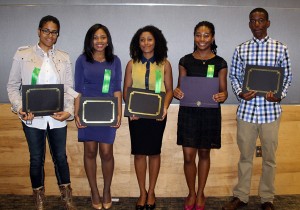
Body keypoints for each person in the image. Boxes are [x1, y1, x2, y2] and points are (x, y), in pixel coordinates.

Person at [222, 8, 292, 210]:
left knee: (270, 158)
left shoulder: (281, 48)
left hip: (270, 112)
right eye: (253, 21)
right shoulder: (241, 49)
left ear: (268, 23)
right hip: (246, 112)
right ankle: (241, 196)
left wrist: (279, 95)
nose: (257, 24)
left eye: (261, 20)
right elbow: (234, 76)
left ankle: (267, 198)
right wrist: (240, 92)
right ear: (249, 24)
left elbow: (286, 77)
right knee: (245, 157)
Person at [7, 15, 78, 210]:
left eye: (54, 32)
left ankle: (66, 197)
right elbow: (13, 87)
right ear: (39, 31)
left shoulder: (63, 57)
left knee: (60, 158)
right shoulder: (23, 54)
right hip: (32, 119)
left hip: (58, 118)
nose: (49, 35)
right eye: (46, 30)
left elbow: (69, 88)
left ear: (57, 35)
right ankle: (38, 197)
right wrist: (20, 108)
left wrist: (69, 111)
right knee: (36, 158)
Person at [173, 21, 228, 210]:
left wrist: (222, 95)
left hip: (209, 113)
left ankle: (201, 192)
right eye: (198, 35)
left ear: (212, 37)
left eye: (206, 35)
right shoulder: (185, 60)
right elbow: (180, 87)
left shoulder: (220, 62)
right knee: (188, 156)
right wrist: (177, 92)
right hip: (188, 112)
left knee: (204, 153)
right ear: (194, 36)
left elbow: (224, 92)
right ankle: (191, 192)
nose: (202, 39)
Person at [123, 25, 173, 210]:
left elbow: (169, 90)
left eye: (149, 39)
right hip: (136, 115)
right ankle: (142, 192)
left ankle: (151, 191)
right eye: (142, 39)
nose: (146, 43)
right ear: (138, 43)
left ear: (156, 41)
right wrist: (130, 109)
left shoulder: (165, 64)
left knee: (154, 152)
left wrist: (165, 108)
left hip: (157, 115)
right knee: (139, 153)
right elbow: (126, 90)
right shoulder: (131, 63)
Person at [74, 24, 122, 210]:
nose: (99, 41)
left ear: (107, 40)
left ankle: (107, 190)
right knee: (90, 152)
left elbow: (117, 89)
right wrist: (77, 113)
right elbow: (77, 89)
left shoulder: (114, 61)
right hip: (87, 110)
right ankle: (94, 191)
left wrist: (118, 113)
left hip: (108, 111)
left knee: (107, 152)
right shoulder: (82, 60)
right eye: (95, 37)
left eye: (103, 37)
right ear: (90, 40)